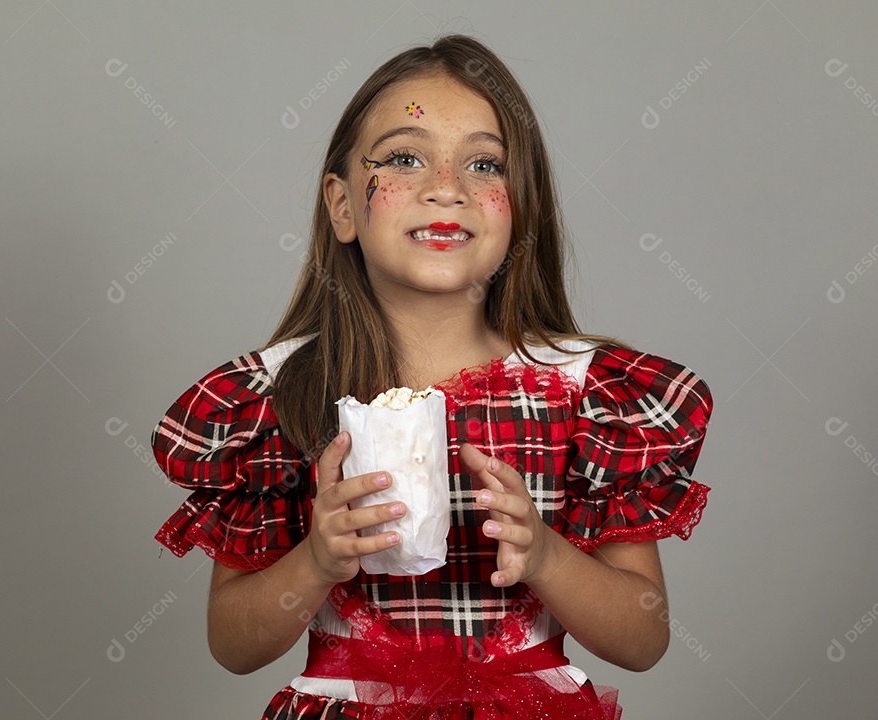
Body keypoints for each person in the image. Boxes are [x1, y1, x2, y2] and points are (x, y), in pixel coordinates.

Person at [150, 33, 713, 720]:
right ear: (344, 204)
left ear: (523, 208)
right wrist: (317, 562)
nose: (447, 187)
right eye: (405, 158)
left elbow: (643, 637)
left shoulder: (586, 395)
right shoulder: (278, 396)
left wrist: (545, 556)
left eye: (484, 164)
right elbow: (233, 644)